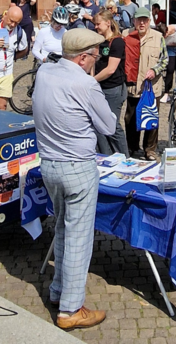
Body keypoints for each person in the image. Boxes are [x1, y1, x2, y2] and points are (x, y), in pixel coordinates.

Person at [32, 28, 116, 330]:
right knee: (79, 237)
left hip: (49, 165)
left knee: (64, 231)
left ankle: (58, 291)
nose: (97, 60)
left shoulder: (44, 72)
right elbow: (108, 125)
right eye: (95, 56)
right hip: (77, 167)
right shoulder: (85, 82)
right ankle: (70, 309)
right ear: (82, 58)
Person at [123, 7, 168, 160]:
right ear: (134, 21)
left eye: (145, 20)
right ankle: (132, 146)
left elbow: (165, 59)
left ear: (149, 21)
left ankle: (150, 149)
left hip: (151, 86)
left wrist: (155, 70)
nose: (141, 23)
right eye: (139, 20)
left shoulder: (158, 37)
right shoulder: (126, 35)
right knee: (131, 118)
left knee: (151, 118)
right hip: (133, 85)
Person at [93, 9, 128, 156]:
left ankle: (125, 157)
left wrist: (91, 81)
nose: (96, 27)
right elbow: (94, 64)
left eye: (98, 24)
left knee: (112, 124)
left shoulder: (117, 42)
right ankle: (105, 156)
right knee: (97, 123)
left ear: (108, 23)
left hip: (113, 88)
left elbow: (111, 69)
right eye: (94, 24)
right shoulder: (98, 41)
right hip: (100, 88)